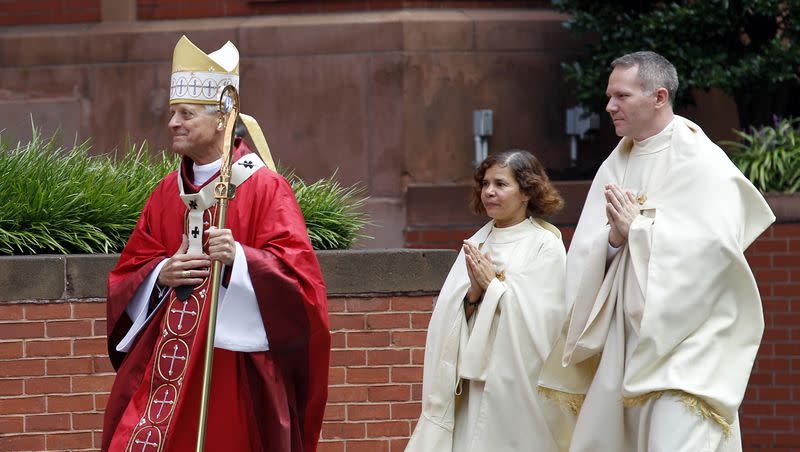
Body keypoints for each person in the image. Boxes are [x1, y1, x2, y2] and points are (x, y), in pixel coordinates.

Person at [101, 36, 330, 452]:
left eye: (186, 114)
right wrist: (159, 274)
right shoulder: (166, 192)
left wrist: (242, 260)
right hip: (165, 361)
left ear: (222, 117)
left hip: (233, 364)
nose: (173, 123)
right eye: (172, 113)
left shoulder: (264, 188)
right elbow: (130, 268)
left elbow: (301, 283)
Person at [538, 51, 775, 452]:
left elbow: (716, 252)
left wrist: (640, 232)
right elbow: (585, 253)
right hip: (624, 343)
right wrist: (614, 240)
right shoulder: (616, 163)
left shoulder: (702, 161)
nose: (609, 106)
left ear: (659, 96)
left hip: (686, 346)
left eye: (621, 96)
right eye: (609, 96)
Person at [406, 149, 574, 452]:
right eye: (485, 184)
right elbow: (449, 315)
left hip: (516, 383)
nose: (489, 192)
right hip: (473, 382)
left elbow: (547, 320)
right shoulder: (478, 242)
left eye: (500, 184)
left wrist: (493, 287)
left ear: (526, 191)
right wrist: (472, 294)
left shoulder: (545, 244)